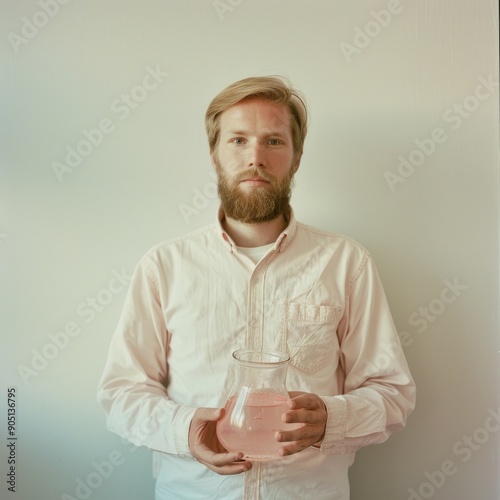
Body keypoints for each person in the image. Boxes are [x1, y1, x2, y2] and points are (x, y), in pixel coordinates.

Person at [97, 76, 416, 499]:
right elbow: (122, 392)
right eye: (238, 141)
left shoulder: (347, 263)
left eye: (273, 142)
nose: (255, 158)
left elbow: (392, 393)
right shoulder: (163, 266)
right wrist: (184, 429)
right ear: (214, 154)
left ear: (297, 157)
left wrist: (331, 419)